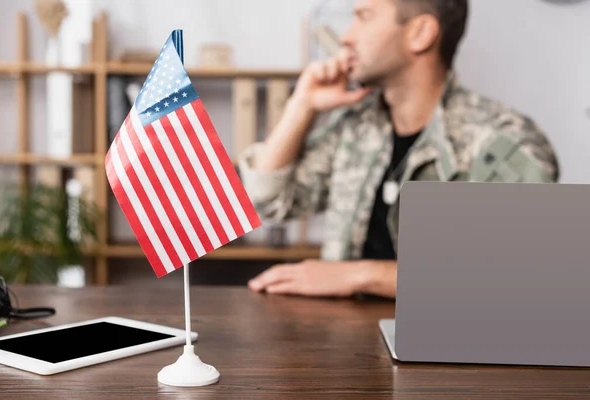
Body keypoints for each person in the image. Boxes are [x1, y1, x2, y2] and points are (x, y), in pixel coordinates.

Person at [238, 0, 559, 299]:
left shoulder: (503, 142)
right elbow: (267, 203)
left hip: (451, 352)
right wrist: (302, 105)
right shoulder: (354, 126)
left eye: (364, 17)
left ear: (420, 33)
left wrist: (362, 275)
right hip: (341, 346)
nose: (347, 37)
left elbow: (523, 280)